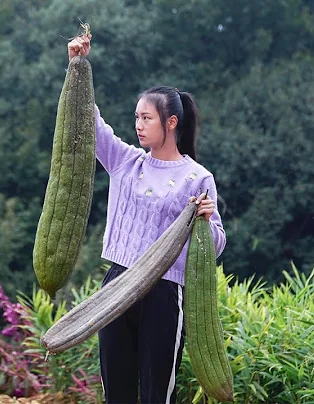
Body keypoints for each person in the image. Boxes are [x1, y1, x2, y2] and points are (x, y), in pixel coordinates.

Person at [67, 34, 226, 404]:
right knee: (116, 390)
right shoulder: (126, 162)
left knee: (158, 393)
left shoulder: (197, 178)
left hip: (165, 292)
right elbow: (92, 124)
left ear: (171, 122)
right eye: (136, 117)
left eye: (146, 118)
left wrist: (205, 220)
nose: (138, 125)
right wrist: (76, 67)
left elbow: (215, 245)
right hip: (117, 283)